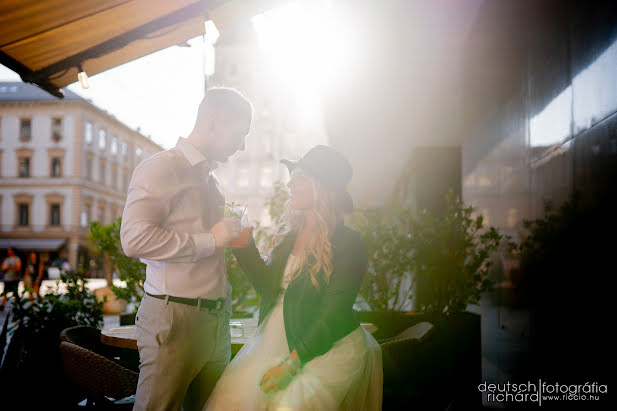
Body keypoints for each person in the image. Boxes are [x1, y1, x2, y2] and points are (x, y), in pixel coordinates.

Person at [205, 145, 383, 410]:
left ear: (322, 185)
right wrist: (245, 248)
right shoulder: (291, 237)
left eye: (300, 176)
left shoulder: (349, 243)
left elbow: (334, 313)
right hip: (275, 340)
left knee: (291, 405)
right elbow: (268, 287)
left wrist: (291, 365)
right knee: (230, 399)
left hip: (327, 347)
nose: (290, 183)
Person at [120, 87, 252, 411]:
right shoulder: (161, 167)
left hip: (217, 319)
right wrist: (211, 240)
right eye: (240, 134)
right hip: (174, 317)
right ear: (214, 122)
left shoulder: (211, 181)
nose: (243, 145)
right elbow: (133, 239)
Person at [1, 247, 22, 311]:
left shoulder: (17, 259)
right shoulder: (6, 259)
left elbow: (18, 269)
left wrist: (10, 267)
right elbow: (2, 268)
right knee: (5, 293)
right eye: (8, 251)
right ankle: (2, 305)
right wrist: (5, 268)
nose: (9, 252)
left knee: (15, 293)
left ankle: (17, 306)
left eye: (10, 250)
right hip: (7, 279)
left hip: (14, 279)